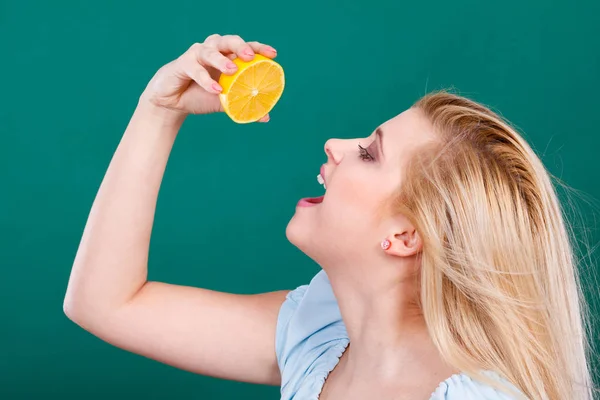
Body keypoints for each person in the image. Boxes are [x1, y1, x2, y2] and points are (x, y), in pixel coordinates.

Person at [63, 33, 594, 400]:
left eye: (369, 153)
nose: (335, 144)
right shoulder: (317, 335)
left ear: (405, 234)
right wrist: (159, 111)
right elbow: (106, 303)